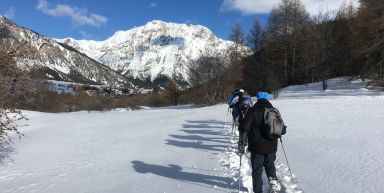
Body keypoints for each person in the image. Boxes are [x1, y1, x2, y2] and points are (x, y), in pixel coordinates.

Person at [238, 92, 281, 193]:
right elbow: (282, 130)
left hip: (257, 147)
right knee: (270, 164)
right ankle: (273, 183)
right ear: (267, 99)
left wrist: (241, 126)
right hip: (272, 145)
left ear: (257, 99)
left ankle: (258, 191)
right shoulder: (274, 110)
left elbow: (244, 127)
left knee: (257, 171)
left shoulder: (253, 110)